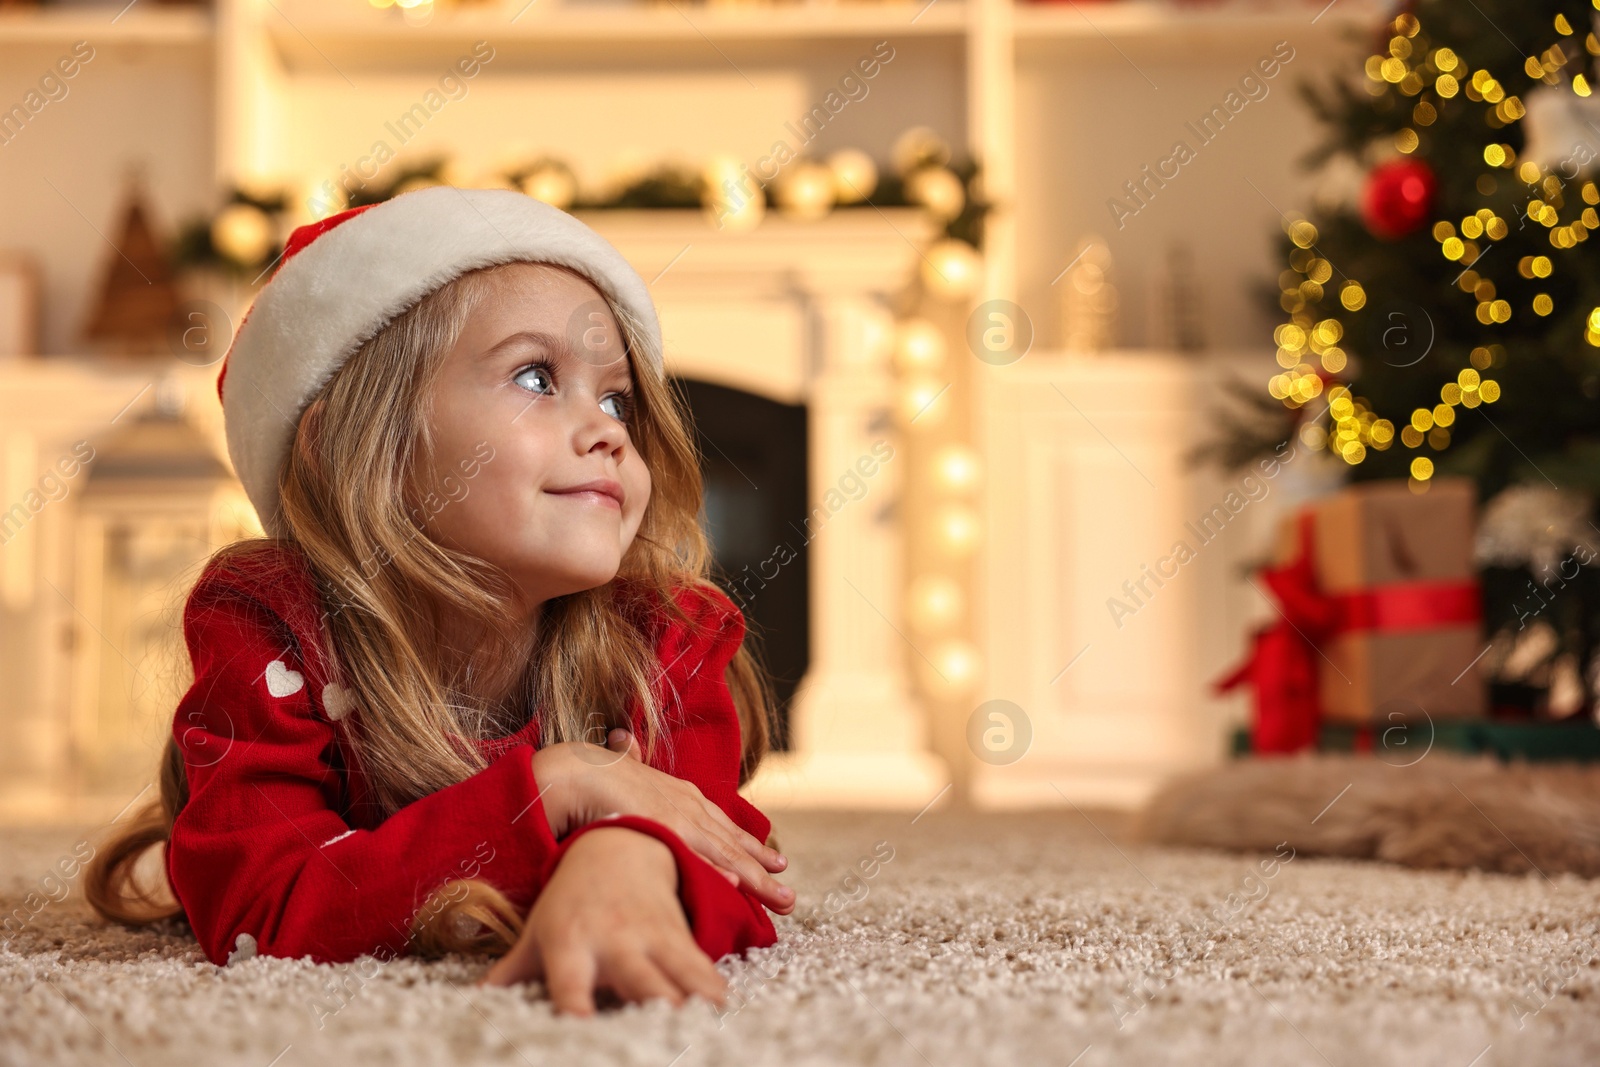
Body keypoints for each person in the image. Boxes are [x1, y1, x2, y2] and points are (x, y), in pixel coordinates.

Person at [84, 185, 796, 1016]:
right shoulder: (271, 624)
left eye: (616, 399)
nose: (609, 430)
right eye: (537, 376)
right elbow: (262, 911)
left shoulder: (663, 632)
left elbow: (728, 856)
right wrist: (555, 786)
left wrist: (621, 861)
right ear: (363, 447)